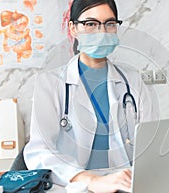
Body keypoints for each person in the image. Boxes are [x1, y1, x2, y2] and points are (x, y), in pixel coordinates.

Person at [23, 0, 159, 192]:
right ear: (73, 28)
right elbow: (39, 151)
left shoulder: (134, 81)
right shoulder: (50, 84)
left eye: (109, 23)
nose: (101, 32)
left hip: (126, 183)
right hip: (74, 185)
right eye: (91, 24)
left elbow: (151, 143)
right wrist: (90, 180)